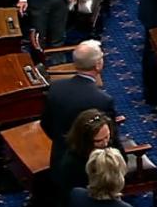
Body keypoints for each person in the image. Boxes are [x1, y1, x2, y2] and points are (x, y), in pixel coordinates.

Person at [41, 41, 116, 174]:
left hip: (59, 160)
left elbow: (45, 124)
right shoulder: (103, 100)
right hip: (91, 168)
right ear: (98, 65)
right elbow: (110, 139)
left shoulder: (56, 88)